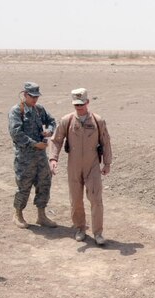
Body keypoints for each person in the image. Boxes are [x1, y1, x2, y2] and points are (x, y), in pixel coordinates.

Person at [48, 88, 113, 245]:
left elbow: (106, 142)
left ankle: (98, 233)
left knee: (96, 199)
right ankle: (80, 229)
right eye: (76, 105)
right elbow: (56, 140)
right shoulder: (67, 121)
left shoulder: (98, 121)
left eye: (82, 104)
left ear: (87, 102)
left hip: (92, 166)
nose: (79, 107)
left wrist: (107, 163)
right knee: (76, 200)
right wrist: (53, 158)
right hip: (74, 166)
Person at [8, 82, 57, 228]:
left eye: (37, 96)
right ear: (25, 95)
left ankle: (41, 216)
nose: (35, 99)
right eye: (32, 96)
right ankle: (18, 214)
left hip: (40, 156)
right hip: (25, 157)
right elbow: (16, 133)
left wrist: (49, 130)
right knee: (24, 185)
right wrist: (34, 144)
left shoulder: (39, 109)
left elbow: (52, 121)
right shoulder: (17, 111)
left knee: (44, 183)